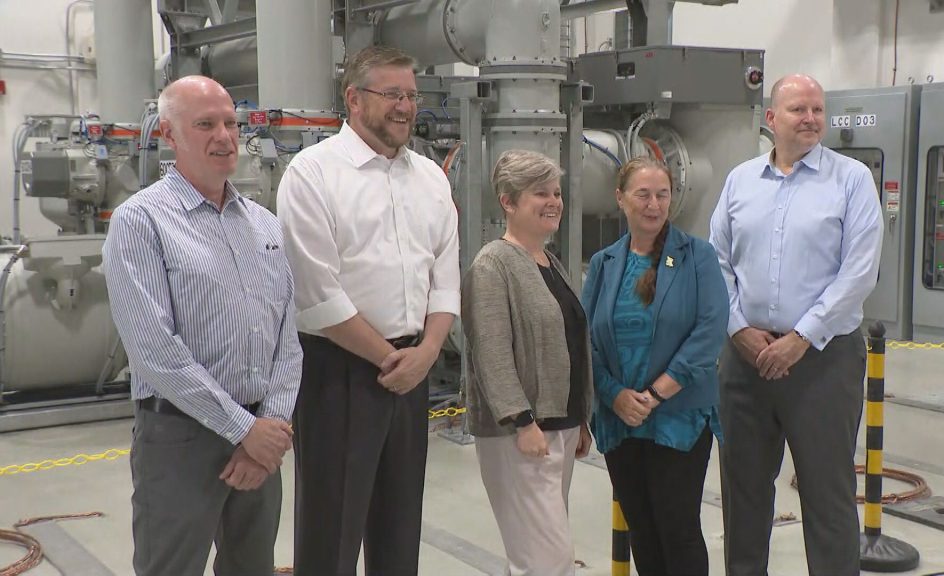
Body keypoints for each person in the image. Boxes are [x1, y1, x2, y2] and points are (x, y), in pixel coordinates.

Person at [103, 75, 301, 576]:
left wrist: (269, 430)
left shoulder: (263, 223)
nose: (224, 137)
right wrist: (244, 430)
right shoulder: (141, 221)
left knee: (251, 566)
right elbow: (153, 350)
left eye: (231, 124)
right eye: (206, 124)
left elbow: (287, 335)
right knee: (170, 566)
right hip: (180, 436)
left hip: (262, 433)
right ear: (169, 135)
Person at [275, 45, 460, 576]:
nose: (405, 107)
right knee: (331, 533)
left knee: (400, 530)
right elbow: (319, 294)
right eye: (391, 94)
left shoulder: (429, 178)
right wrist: (390, 359)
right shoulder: (312, 174)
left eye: (411, 95)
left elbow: (444, 281)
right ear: (353, 99)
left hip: (414, 367)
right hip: (339, 372)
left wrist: (425, 353)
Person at [709, 73, 883, 576]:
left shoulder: (851, 180)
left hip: (824, 362)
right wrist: (738, 327)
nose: (810, 119)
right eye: (797, 110)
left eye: (817, 110)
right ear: (770, 120)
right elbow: (716, 259)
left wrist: (802, 336)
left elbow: (859, 271)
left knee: (827, 494)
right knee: (743, 494)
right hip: (745, 361)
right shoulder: (740, 181)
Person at [582, 157, 728, 575]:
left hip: (679, 418)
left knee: (677, 529)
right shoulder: (604, 263)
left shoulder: (697, 256)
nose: (653, 204)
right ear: (621, 199)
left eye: (662, 194)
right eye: (642, 194)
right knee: (642, 531)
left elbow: (708, 332)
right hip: (620, 420)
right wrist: (613, 395)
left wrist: (656, 393)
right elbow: (586, 339)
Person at [462, 149, 593, 576]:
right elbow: (491, 351)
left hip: (560, 426)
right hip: (521, 432)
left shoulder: (549, 262)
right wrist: (521, 420)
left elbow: (568, 344)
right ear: (508, 201)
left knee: (540, 556)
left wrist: (581, 420)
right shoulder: (492, 265)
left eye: (556, 192)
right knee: (546, 561)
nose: (553, 201)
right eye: (540, 193)